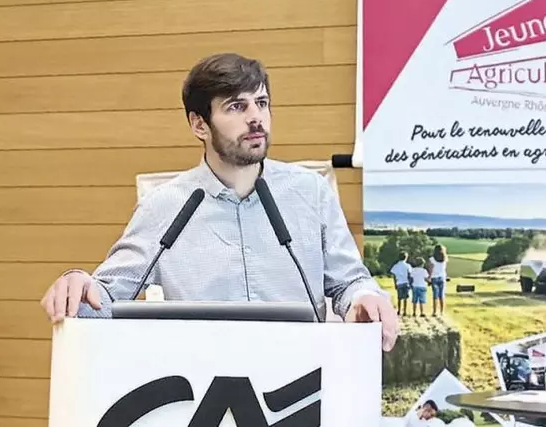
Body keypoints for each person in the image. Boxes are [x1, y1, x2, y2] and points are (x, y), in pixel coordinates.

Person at [39, 53, 399, 351]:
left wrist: (364, 298)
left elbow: (347, 283)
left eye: (261, 103)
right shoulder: (164, 207)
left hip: (300, 385)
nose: (255, 117)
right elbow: (103, 300)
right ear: (199, 124)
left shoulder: (311, 192)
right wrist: (76, 284)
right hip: (202, 392)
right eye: (236, 107)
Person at [389, 251, 412, 316]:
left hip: (399, 283)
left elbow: (394, 275)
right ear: (406, 258)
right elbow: (409, 274)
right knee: (405, 298)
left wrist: (395, 283)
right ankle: (404, 311)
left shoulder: (396, 266)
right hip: (406, 283)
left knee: (399, 298)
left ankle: (399, 310)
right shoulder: (408, 266)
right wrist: (410, 283)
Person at [428, 244, 448, 316]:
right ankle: (442, 311)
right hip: (442, 277)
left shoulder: (432, 259)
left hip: (434, 277)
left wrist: (429, 278)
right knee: (441, 295)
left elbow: (431, 269)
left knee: (435, 296)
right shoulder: (445, 258)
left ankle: (434, 311)